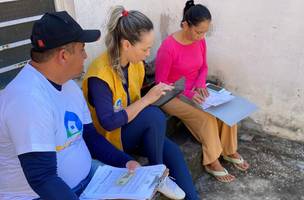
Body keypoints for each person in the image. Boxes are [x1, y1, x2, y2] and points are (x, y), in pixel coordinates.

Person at [0, 11, 141, 200]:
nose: (85, 55)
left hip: (89, 178)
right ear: (64, 55)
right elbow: (43, 179)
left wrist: (126, 162)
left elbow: (90, 136)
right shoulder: (27, 99)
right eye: (82, 48)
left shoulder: (68, 85)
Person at [82, 6, 199, 200]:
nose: (148, 53)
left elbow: (134, 101)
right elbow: (108, 123)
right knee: (153, 115)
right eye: (145, 48)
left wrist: (158, 92)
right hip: (111, 140)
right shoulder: (99, 74)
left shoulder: (136, 64)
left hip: (131, 131)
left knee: (173, 151)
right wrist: (147, 99)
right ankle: (157, 175)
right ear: (126, 45)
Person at [155, 0, 250, 183]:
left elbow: (203, 67)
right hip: (172, 94)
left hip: (196, 89)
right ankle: (212, 161)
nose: (201, 36)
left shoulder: (200, 41)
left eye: (205, 32)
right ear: (185, 25)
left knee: (227, 107)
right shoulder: (168, 47)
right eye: (198, 32)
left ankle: (229, 150)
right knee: (206, 118)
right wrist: (189, 93)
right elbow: (161, 83)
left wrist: (199, 84)